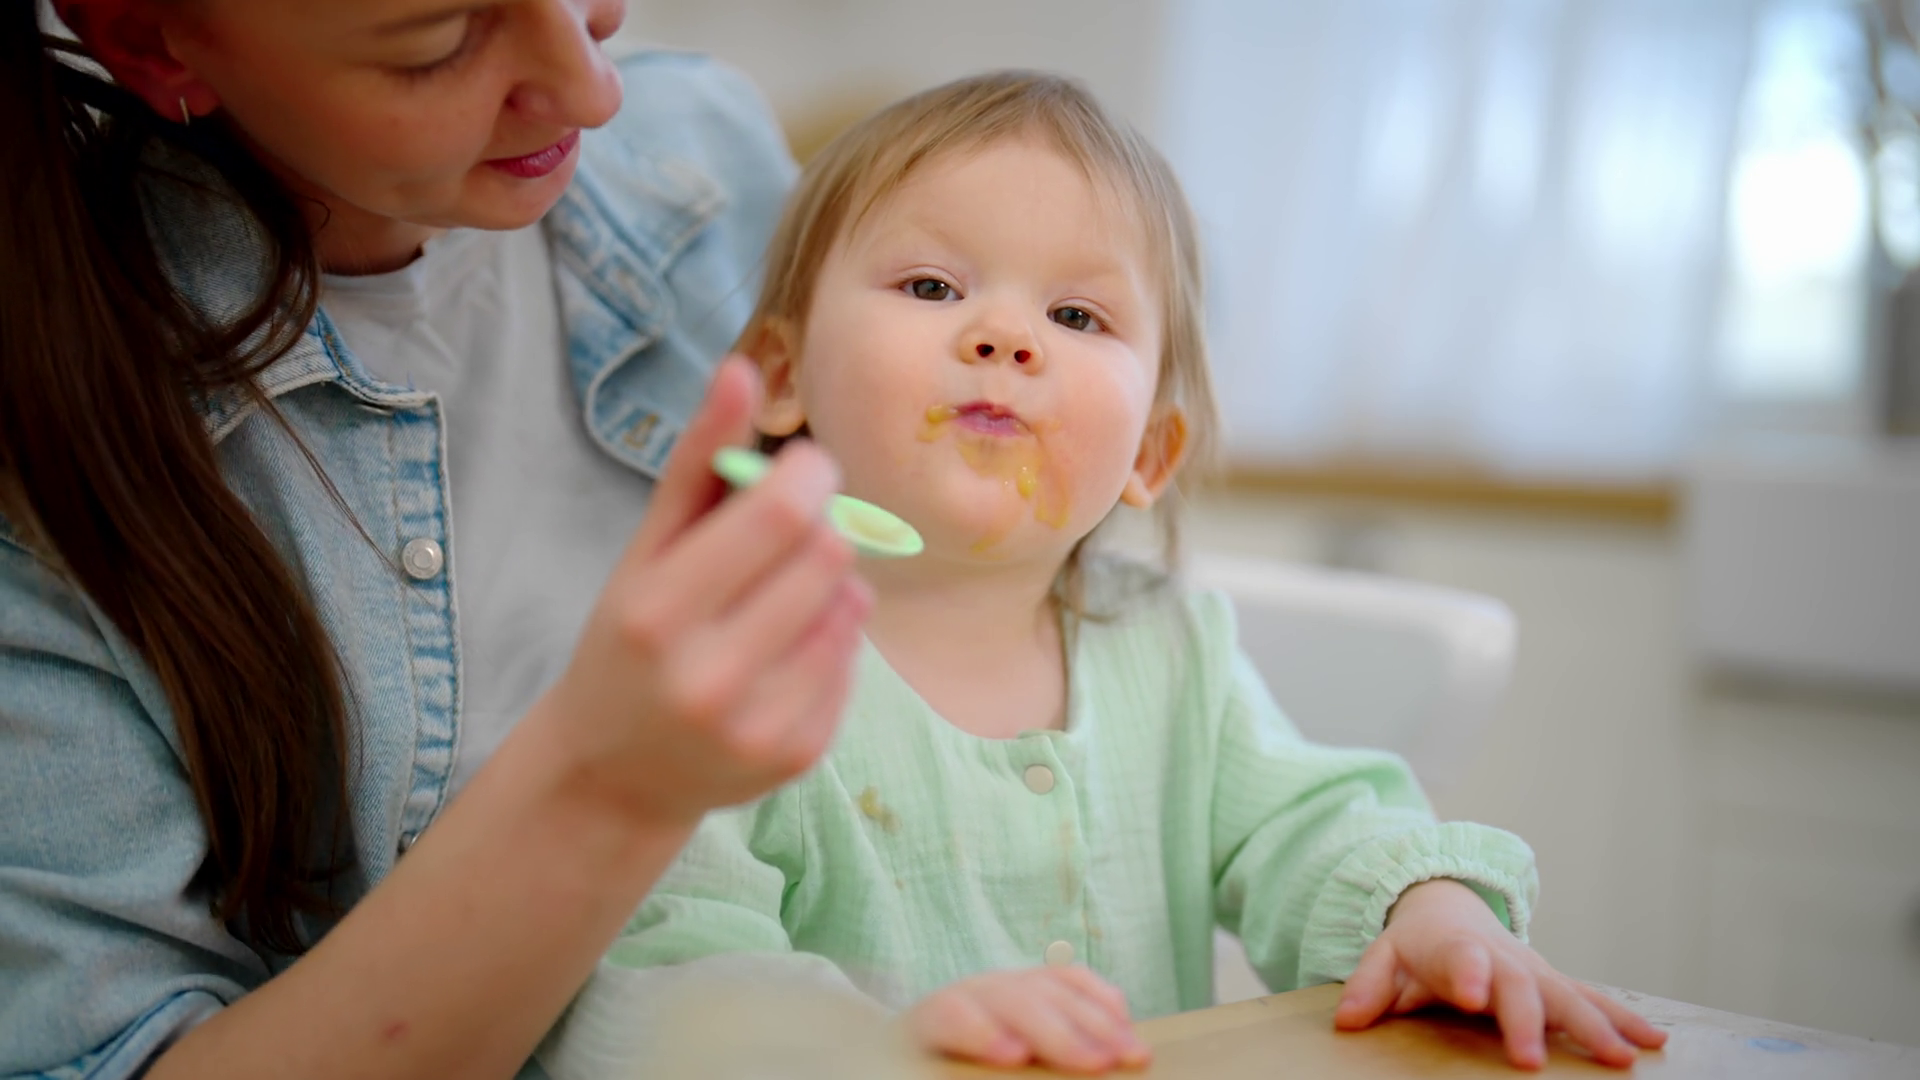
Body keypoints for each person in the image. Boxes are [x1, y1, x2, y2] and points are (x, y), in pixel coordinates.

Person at [542, 72, 1673, 1077]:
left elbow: (1316, 827)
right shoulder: (723, 672)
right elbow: (667, 977)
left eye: (1076, 314)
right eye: (932, 287)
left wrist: (1429, 911)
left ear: (1149, 454)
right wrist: (877, 1046)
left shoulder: (1174, 656)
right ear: (782, 377)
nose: (1005, 336)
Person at [0, 2, 866, 1077]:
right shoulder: (47, 483)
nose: (594, 89)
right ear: (146, 39)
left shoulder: (707, 150)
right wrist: (606, 788)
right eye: (437, 45)